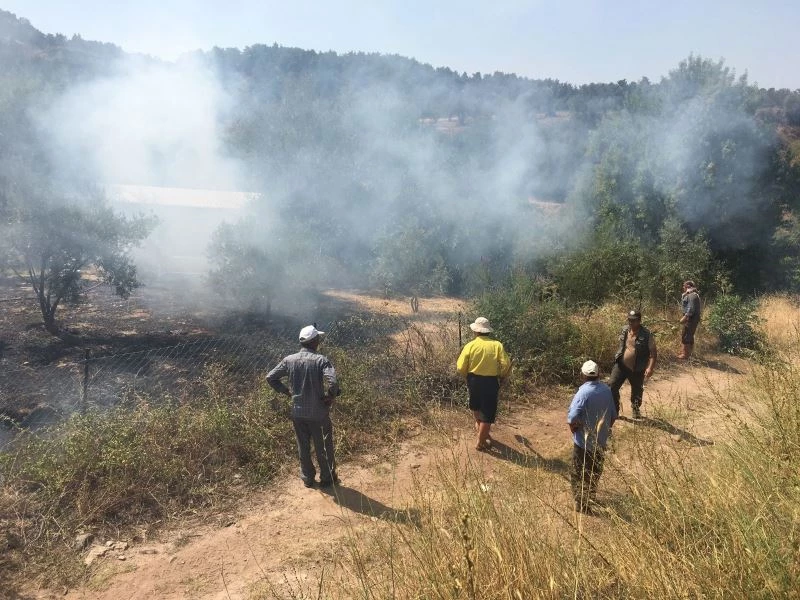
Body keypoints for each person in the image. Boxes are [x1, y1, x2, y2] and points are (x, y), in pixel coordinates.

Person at [266, 325, 341, 489]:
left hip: (298, 412)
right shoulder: (321, 360)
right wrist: (330, 396)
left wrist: (286, 391)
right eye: (318, 338)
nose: (319, 341)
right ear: (314, 341)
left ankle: (307, 478)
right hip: (318, 413)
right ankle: (327, 479)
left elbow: (270, 377)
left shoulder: (289, 360)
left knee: (303, 446)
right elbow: (333, 382)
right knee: (323, 445)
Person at [567, 360, 617, 514]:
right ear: (598, 374)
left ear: (582, 375)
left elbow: (572, 417)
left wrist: (574, 429)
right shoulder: (607, 390)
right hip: (600, 441)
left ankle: (581, 503)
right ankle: (591, 495)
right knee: (595, 470)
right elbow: (613, 416)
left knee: (579, 471)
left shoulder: (583, 392)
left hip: (583, 442)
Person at [456, 317, 511, 451]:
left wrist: (466, 377)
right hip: (490, 382)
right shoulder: (497, 345)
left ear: (476, 331)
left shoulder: (470, 345)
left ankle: (482, 435)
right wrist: (502, 375)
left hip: (473, 381)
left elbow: (460, 367)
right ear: (488, 331)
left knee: (476, 408)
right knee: (487, 413)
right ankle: (480, 442)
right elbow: (506, 364)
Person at [608, 309, 657, 420]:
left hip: (637, 368)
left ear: (639, 321)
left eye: (633, 320)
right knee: (611, 386)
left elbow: (653, 353)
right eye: (629, 320)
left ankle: (635, 409)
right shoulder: (625, 330)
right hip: (621, 365)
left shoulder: (647, 334)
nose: (631, 322)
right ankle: (615, 409)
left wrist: (650, 368)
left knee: (637, 390)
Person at [678, 280, 702, 360]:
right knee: (690, 336)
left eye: (684, 286)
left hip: (690, 319)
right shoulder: (694, 294)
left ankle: (685, 355)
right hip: (693, 319)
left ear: (688, 286)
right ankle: (689, 354)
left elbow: (691, 309)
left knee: (685, 335)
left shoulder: (691, 295)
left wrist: (684, 318)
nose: (683, 288)